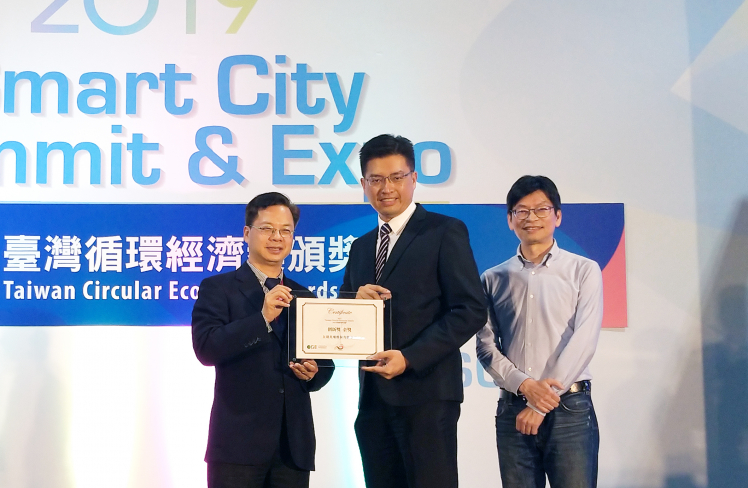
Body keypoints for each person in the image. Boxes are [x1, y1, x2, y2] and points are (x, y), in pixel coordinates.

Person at [341, 134, 486, 488]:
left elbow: (470, 309)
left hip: (427, 397)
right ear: (363, 184)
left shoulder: (444, 231)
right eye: (376, 179)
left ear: (414, 178)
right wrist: (353, 301)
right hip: (373, 400)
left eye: (396, 177)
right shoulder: (361, 247)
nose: (386, 188)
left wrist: (410, 357)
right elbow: (344, 313)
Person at [192, 192, 334, 488]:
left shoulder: (304, 295)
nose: (276, 237)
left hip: (292, 447)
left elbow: (325, 363)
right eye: (267, 228)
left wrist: (314, 372)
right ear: (247, 233)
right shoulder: (218, 288)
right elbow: (207, 349)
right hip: (237, 445)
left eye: (285, 230)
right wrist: (262, 318)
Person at [476, 175, 603, 488]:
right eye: (521, 211)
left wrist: (539, 402)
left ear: (557, 216)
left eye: (541, 209)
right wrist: (525, 387)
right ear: (510, 220)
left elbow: (584, 340)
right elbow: (486, 347)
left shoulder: (583, 270)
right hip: (513, 408)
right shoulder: (492, 278)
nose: (531, 217)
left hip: (570, 409)